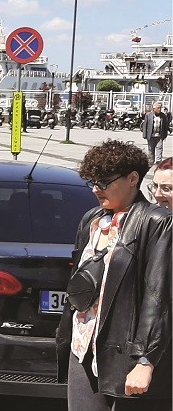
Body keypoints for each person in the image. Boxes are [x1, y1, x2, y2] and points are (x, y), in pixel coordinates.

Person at [56, 139, 172, 411]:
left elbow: (158, 296)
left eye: (104, 182)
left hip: (126, 353)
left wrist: (145, 360)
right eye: (92, 182)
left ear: (133, 179)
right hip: (83, 346)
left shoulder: (156, 222)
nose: (96, 189)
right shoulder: (92, 219)